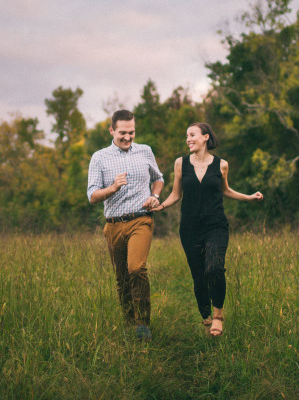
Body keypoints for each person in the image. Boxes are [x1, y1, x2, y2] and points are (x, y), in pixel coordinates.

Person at [156, 122, 262, 337]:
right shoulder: (181, 164)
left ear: (205, 137)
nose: (188, 139)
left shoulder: (222, 165)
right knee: (199, 276)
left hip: (216, 225)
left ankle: (218, 316)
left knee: (214, 267)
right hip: (189, 227)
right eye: (186, 136)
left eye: (192, 135)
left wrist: (248, 197)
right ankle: (205, 319)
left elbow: (226, 190)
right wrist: (160, 205)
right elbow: (176, 195)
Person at [87, 109, 164, 341]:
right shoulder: (99, 157)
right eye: (123, 133)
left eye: (131, 132)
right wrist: (112, 188)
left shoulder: (145, 151)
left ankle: (143, 324)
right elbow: (91, 195)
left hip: (141, 219)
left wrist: (156, 196)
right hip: (113, 225)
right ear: (112, 130)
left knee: (136, 268)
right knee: (121, 278)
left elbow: (158, 178)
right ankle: (130, 323)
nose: (128, 137)